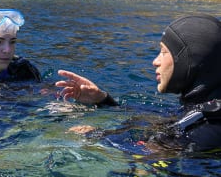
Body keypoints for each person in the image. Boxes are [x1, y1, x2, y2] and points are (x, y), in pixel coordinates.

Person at [56, 13, 221, 153]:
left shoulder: (206, 127)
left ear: (190, 61)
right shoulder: (204, 111)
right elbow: (157, 119)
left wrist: (95, 135)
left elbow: (153, 152)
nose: (155, 61)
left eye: (164, 52)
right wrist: (103, 100)